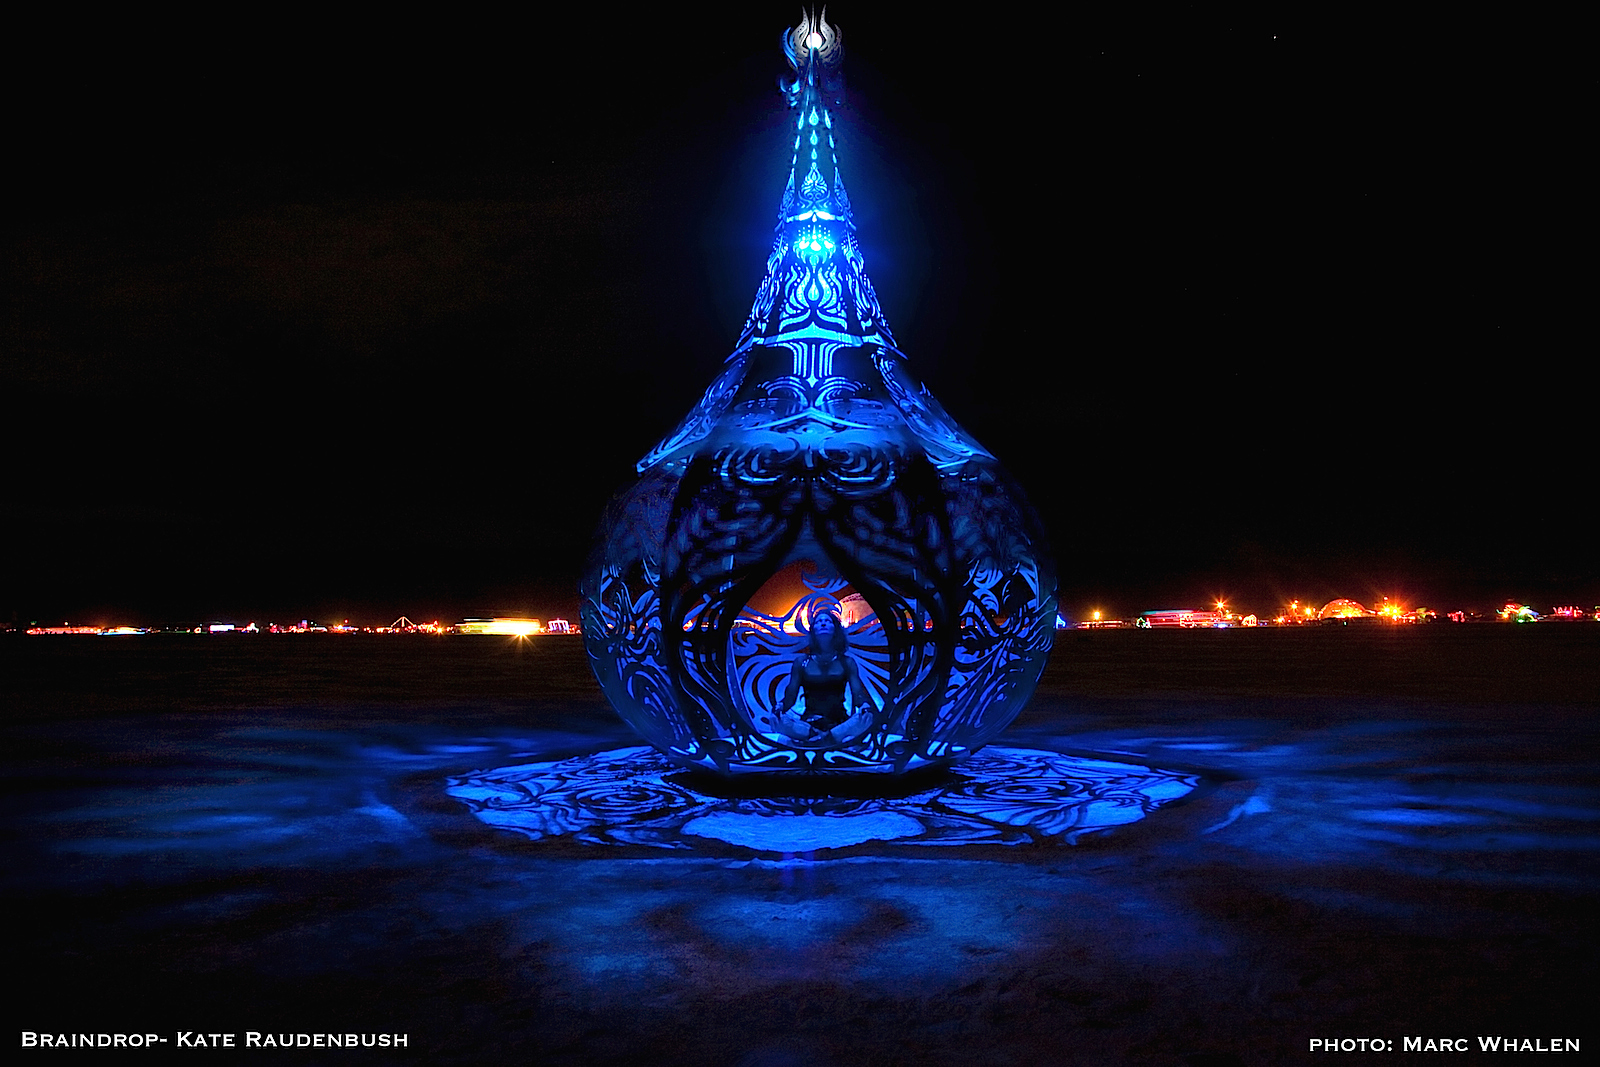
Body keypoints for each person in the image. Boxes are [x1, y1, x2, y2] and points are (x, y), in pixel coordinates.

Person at [773, 609, 876, 746]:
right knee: (779, 721)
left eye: (827, 621)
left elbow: (858, 695)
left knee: (864, 718)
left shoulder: (847, 662)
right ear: (813, 630)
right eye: (819, 621)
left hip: (839, 724)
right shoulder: (801, 662)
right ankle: (825, 739)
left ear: (835, 629)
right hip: (809, 725)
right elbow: (790, 697)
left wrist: (864, 706)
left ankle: (819, 740)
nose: (823, 624)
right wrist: (779, 707)